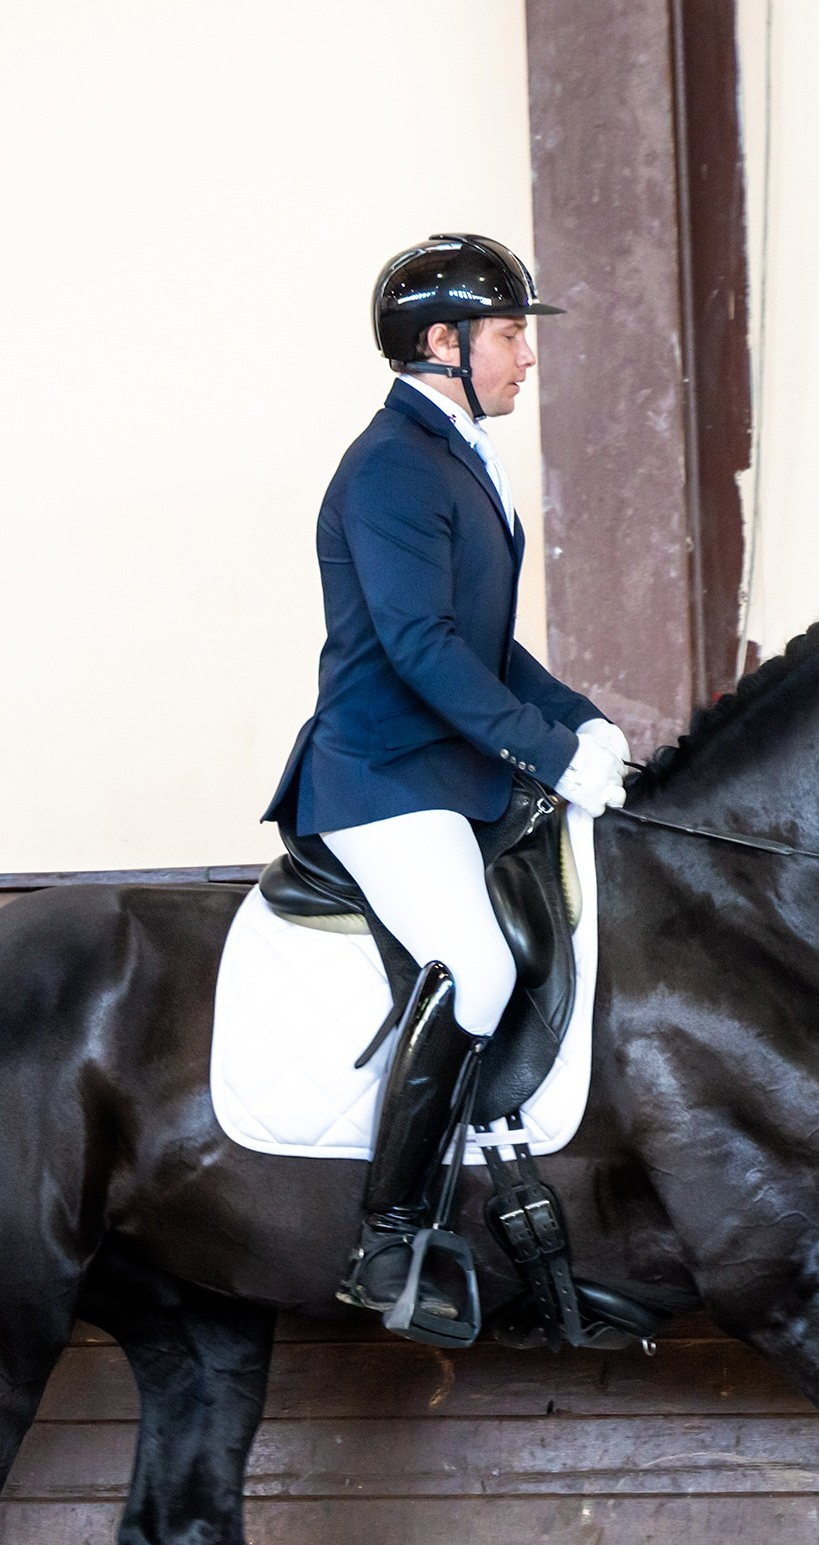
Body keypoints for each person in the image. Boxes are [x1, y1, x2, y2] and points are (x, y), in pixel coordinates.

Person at [263, 233, 629, 1328]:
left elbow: (484, 643)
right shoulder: (386, 467)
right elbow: (420, 648)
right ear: (442, 342)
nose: (524, 356)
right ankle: (388, 1243)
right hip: (380, 772)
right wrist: (546, 750)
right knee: (469, 962)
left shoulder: (457, 454)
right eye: (510, 335)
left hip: (452, 767)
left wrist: (580, 719)